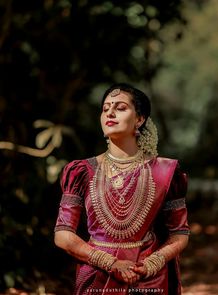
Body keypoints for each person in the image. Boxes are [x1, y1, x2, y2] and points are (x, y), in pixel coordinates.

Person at [54, 83, 190, 295]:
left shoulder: (165, 172)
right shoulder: (81, 171)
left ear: (140, 119)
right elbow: (63, 234)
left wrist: (152, 264)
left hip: (148, 277)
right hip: (97, 275)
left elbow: (179, 233)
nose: (110, 112)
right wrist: (110, 263)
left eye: (120, 107)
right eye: (106, 107)